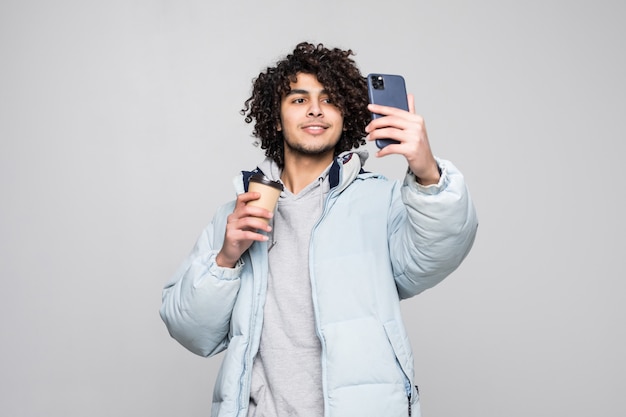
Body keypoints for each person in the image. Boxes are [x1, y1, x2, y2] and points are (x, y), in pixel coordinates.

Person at [160, 41, 478, 417]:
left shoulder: (385, 202)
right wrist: (226, 258)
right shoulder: (236, 216)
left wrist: (427, 173)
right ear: (276, 118)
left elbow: (439, 251)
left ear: (345, 116)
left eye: (329, 99)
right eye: (298, 99)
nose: (314, 109)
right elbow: (192, 332)